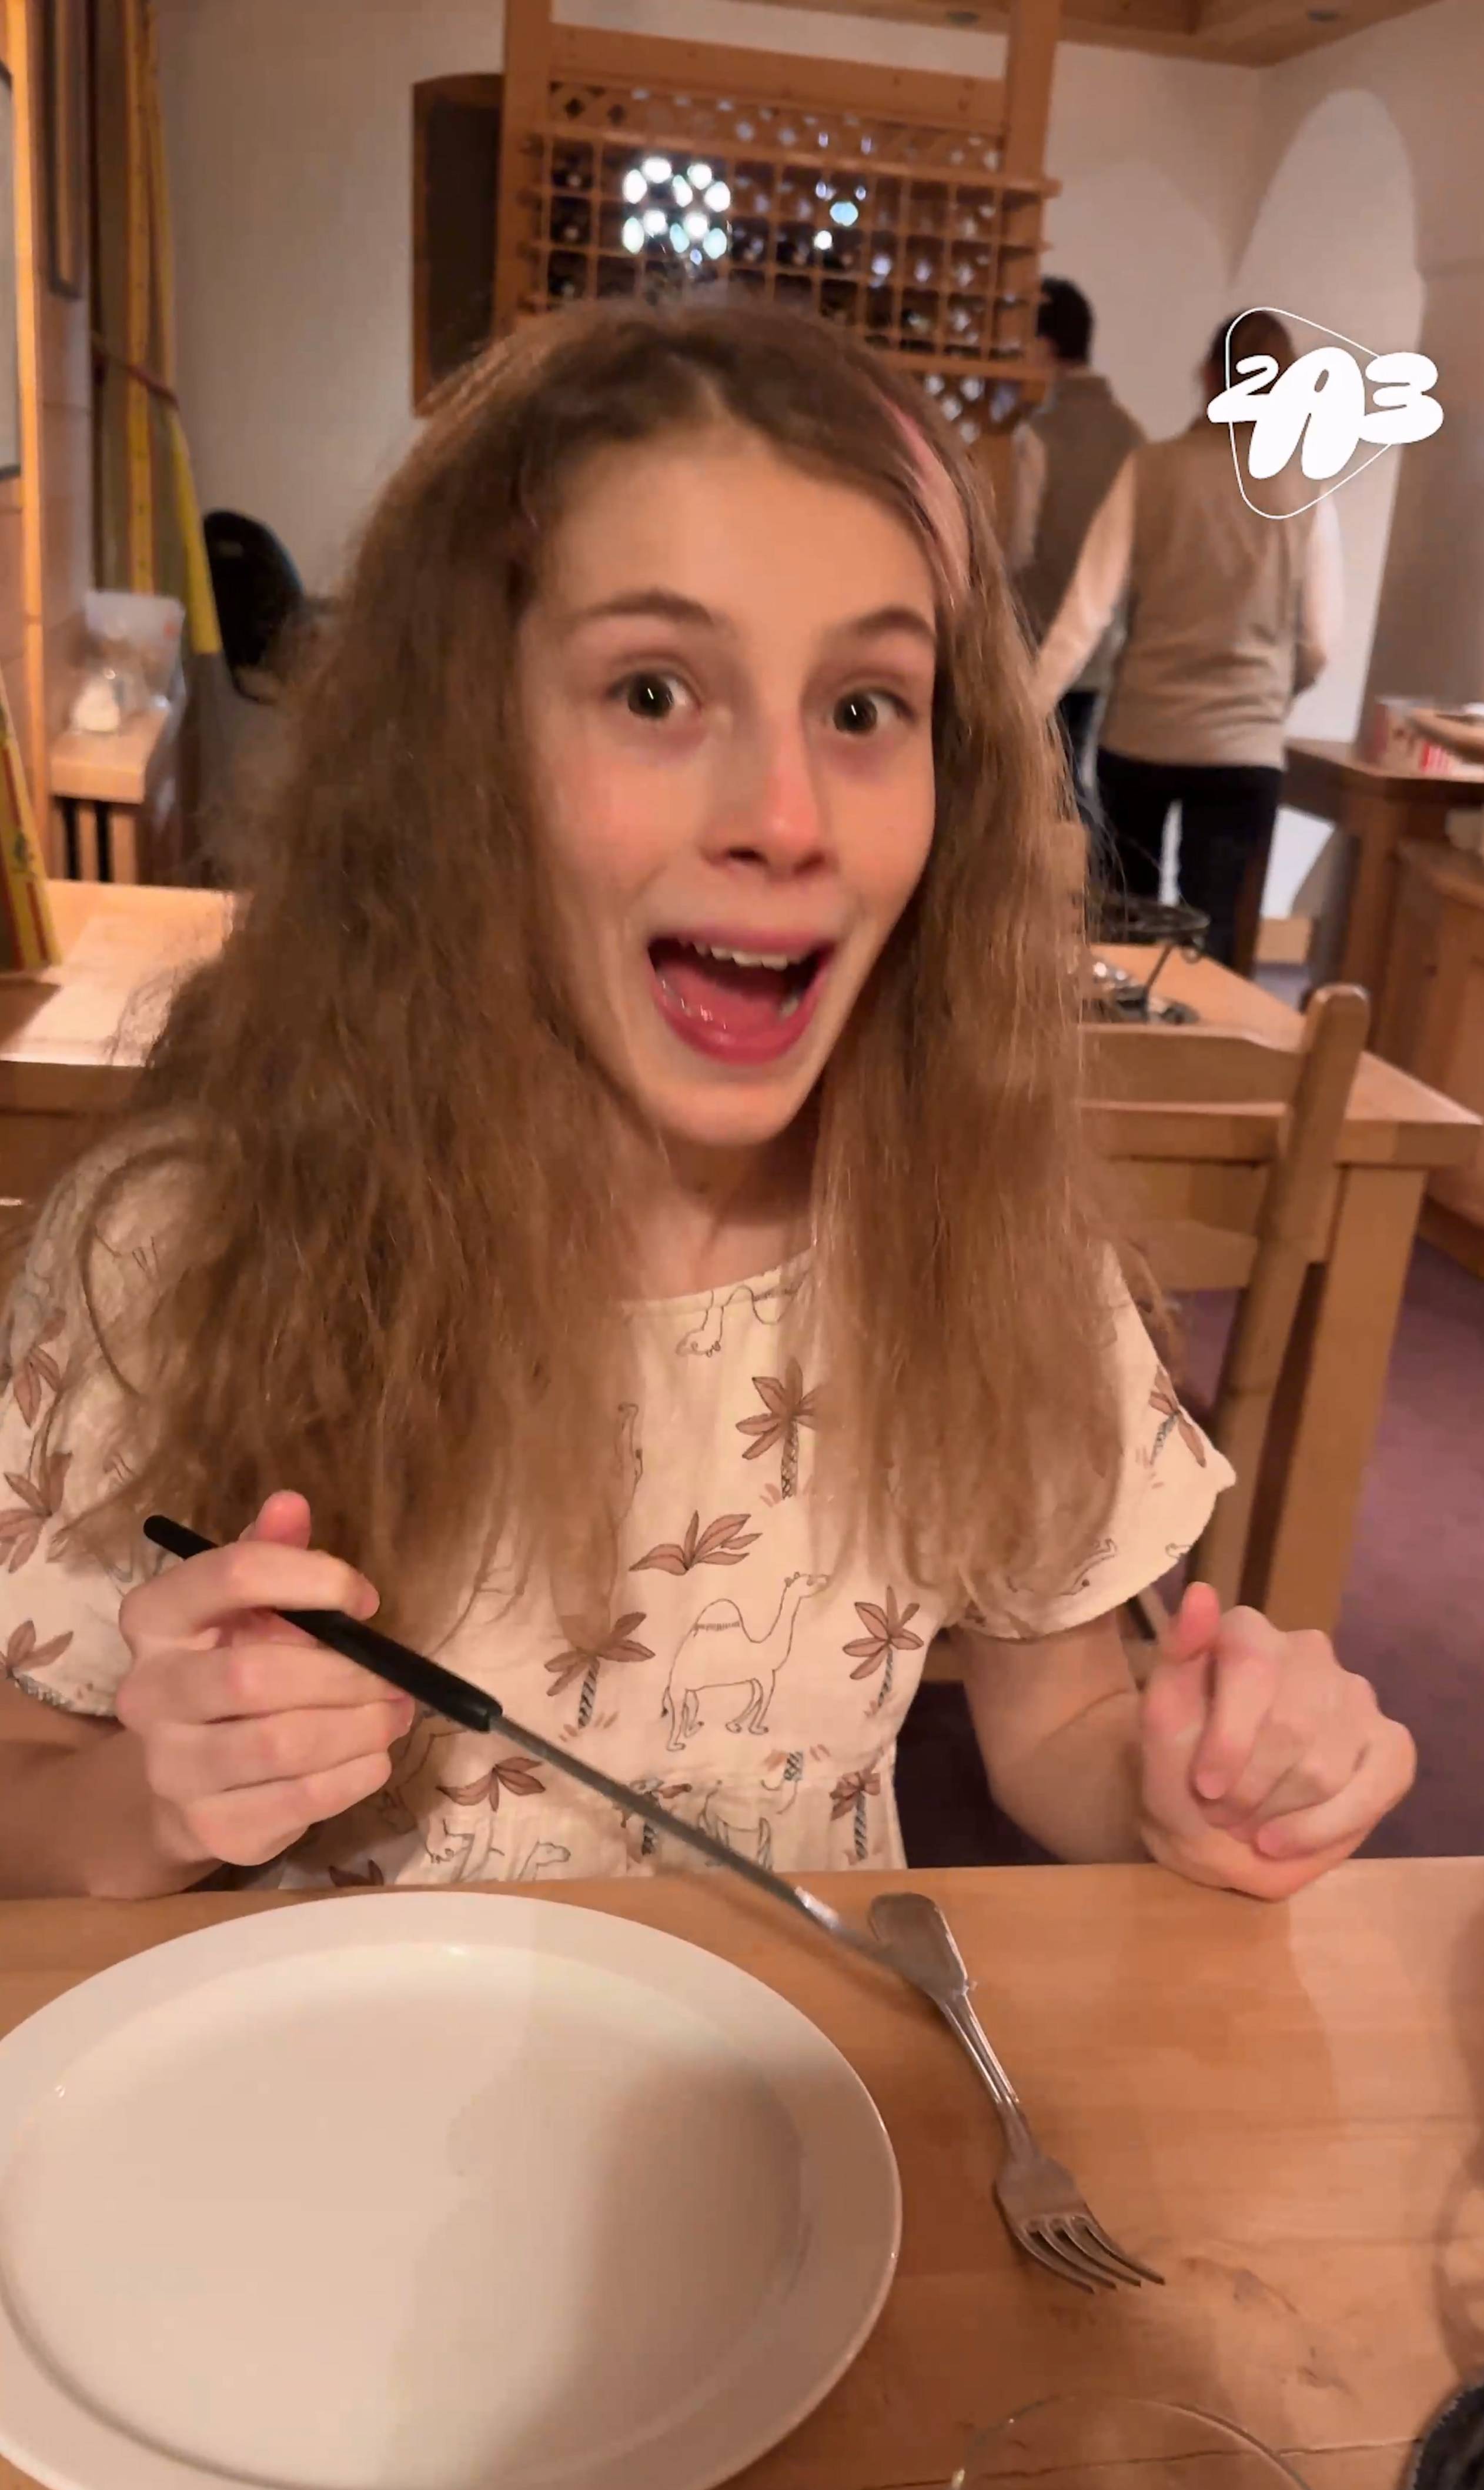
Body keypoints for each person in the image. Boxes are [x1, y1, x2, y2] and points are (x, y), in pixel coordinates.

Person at [0, 303, 1410, 1905]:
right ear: (459, 752)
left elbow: (1062, 1717)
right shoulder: (178, 1252)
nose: (786, 816)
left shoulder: (980, 1236)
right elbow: (22, 1790)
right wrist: (148, 1798)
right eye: (656, 693)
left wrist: (1185, 1781)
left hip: (787, 2065)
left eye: (864, 708)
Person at [1032, 309, 1344, 969]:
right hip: (1244, 749)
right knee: (1217, 938)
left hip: (1142, 737)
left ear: (1207, 375)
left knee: (1123, 927)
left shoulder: (1152, 470)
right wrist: (1268, 696)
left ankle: (1122, 1027)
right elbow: (1319, 641)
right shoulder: (1307, 489)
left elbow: (1085, 614)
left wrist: (1023, 711)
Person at [1007, 279, 1144, 795]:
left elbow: (1019, 548)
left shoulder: (1038, 435)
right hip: (1108, 651)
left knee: (1033, 788)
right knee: (1072, 779)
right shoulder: (1133, 435)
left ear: (1044, 346)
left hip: (1038, 641)